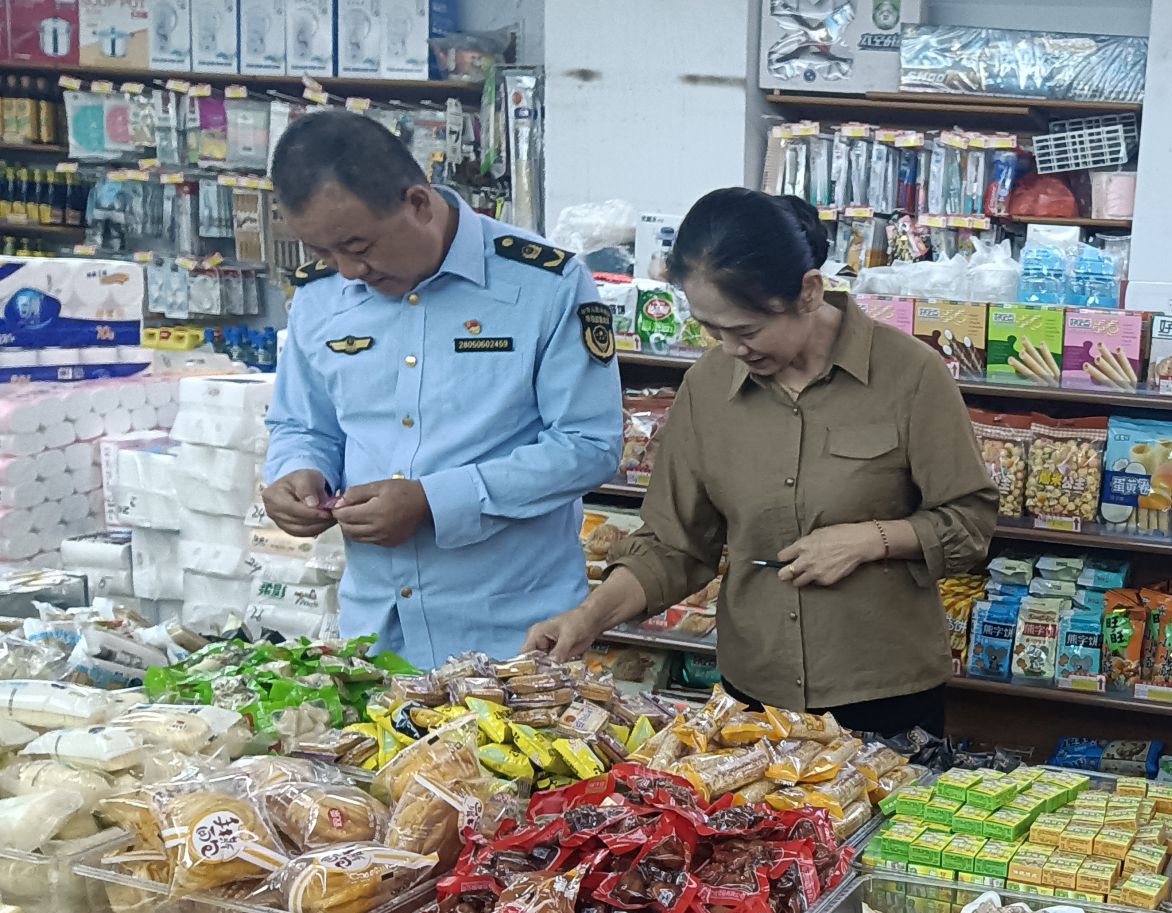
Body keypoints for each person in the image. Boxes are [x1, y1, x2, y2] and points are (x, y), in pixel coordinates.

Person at [525, 188, 995, 737]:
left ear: (808, 292)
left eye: (747, 330)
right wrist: (589, 618)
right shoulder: (707, 388)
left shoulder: (909, 375)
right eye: (712, 329)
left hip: (885, 692)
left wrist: (870, 539)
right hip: (755, 697)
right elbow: (674, 545)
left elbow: (969, 521)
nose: (730, 349)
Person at [261, 110, 624, 668]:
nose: (348, 270)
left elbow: (587, 446)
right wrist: (296, 471)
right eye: (323, 254)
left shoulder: (543, 283)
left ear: (418, 203)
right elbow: (304, 424)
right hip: (375, 635)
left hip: (514, 640)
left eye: (358, 245)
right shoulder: (320, 296)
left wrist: (433, 502)